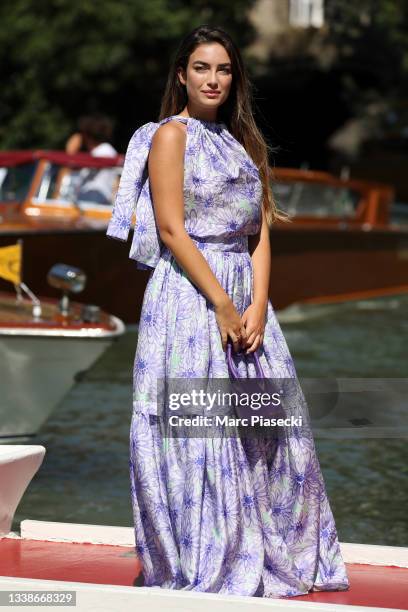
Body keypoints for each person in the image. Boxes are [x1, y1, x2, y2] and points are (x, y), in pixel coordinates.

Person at [106, 25, 350, 598]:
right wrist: (221, 302)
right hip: (192, 296)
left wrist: (259, 303)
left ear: (233, 78)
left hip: (246, 295)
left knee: (270, 429)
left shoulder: (241, 141)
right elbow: (169, 227)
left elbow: (259, 226)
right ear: (182, 75)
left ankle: (270, 546)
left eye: (223, 69)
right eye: (201, 68)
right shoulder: (171, 136)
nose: (213, 79)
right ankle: (203, 555)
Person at [65, 114, 119, 205]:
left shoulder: (105, 151)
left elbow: (73, 164)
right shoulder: (100, 152)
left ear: (85, 135)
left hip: (94, 200)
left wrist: (71, 151)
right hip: (91, 201)